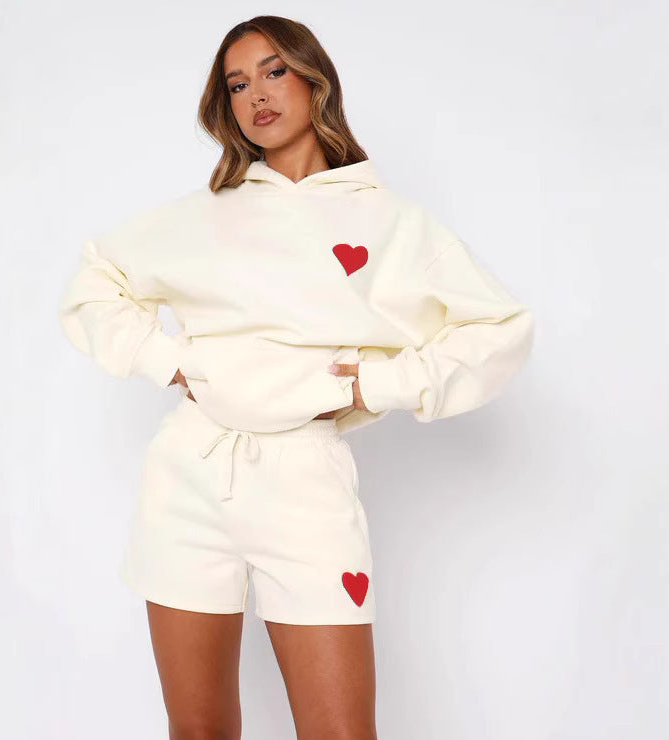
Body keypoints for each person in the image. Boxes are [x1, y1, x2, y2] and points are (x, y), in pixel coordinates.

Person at [58, 15, 535, 740]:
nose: (257, 95)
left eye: (274, 71)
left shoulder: (390, 224)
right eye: (237, 84)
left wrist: (376, 386)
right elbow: (97, 280)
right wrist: (170, 361)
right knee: (198, 731)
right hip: (191, 473)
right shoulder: (202, 217)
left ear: (315, 80)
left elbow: (500, 327)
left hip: (307, 482)